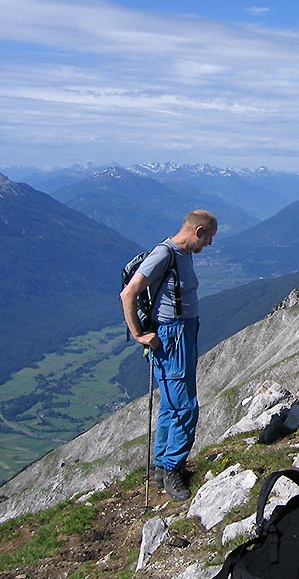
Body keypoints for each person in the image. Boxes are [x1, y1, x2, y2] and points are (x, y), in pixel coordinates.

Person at [120, 210, 217, 501]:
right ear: (198, 231)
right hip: (173, 337)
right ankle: (173, 469)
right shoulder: (165, 254)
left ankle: (162, 466)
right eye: (209, 237)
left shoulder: (182, 253)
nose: (209, 244)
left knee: (170, 404)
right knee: (185, 406)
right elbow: (129, 293)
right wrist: (139, 334)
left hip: (182, 332)